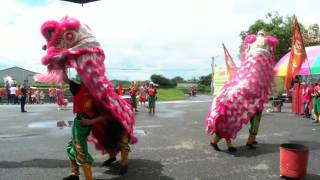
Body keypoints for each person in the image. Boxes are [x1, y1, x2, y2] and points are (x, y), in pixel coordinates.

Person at [36, 17, 137, 179]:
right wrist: (60, 65)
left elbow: (108, 114)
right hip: (82, 120)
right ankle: (74, 173)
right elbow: (67, 80)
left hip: (95, 120)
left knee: (119, 137)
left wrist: (91, 122)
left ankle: (123, 163)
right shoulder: (79, 87)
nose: (82, 73)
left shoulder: (101, 92)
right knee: (73, 146)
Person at [206, 31, 279, 152]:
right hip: (252, 94)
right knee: (243, 118)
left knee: (233, 117)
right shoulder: (265, 51)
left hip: (249, 91)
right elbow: (269, 58)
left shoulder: (252, 50)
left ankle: (244, 140)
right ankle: (223, 141)